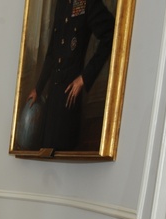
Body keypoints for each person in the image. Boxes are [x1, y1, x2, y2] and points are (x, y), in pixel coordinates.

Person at [25, 0, 115, 151]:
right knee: (46, 148)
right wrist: (38, 88)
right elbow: (52, 52)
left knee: (62, 149)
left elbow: (111, 34)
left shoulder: (88, 3)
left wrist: (85, 78)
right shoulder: (61, 4)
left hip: (69, 94)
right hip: (53, 94)